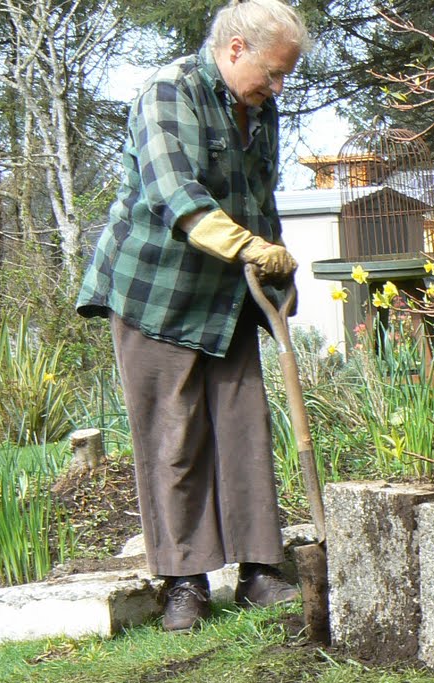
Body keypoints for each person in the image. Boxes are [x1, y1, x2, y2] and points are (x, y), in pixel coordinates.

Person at [77, 0, 309, 631]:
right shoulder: (168, 92)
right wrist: (249, 248)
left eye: (285, 75)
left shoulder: (259, 108)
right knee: (172, 437)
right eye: (273, 72)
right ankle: (185, 583)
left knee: (244, 427)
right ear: (235, 49)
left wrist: (278, 272)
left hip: (228, 294)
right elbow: (176, 195)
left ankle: (260, 571)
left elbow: (259, 199)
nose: (278, 87)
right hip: (156, 290)